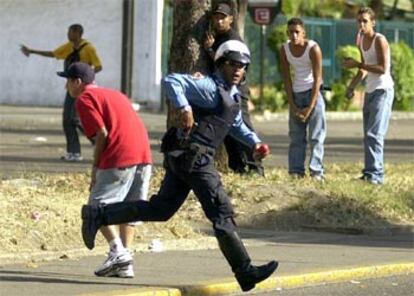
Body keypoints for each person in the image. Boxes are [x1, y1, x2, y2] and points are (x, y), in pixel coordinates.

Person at [81, 40, 277, 292]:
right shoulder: (210, 87)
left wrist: (255, 143)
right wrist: (184, 107)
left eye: (242, 65)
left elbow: (236, 124)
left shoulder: (232, 95)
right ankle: (245, 271)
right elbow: (171, 80)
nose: (238, 69)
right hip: (195, 158)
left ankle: (98, 215)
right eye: (232, 64)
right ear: (221, 64)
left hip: (185, 157)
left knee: (161, 209)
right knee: (221, 212)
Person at [57, 62, 152, 278]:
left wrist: (95, 167)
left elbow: (101, 133)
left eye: (67, 82)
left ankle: (118, 252)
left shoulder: (84, 99)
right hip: (144, 155)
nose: (66, 88)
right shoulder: (116, 94)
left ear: (77, 82)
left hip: (120, 155)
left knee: (96, 208)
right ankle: (126, 263)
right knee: (130, 208)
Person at [21, 24, 102, 162]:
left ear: (77, 32)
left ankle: (100, 142)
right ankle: (74, 152)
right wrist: (32, 51)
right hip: (71, 89)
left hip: (82, 89)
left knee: (75, 120)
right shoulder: (69, 47)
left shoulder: (89, 48)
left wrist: (86, 78)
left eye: (70, 31)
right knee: (67, 120)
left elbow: (99, 66)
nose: (68, 34)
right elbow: (53, 54)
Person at [204, 2, 264, 176]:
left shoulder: (232, 39)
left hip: (236, 89)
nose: (219, 21)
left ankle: (256, 167)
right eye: (216, 17)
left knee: (243, 126)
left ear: (231, 19)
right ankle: (238, 167)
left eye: (223, 17)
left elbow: (227, 65)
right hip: (225, 90)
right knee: (227, 128)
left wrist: (209, 49)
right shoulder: (218, 36)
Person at [343, 7, 394, 185]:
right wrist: (351, 86)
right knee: (368, 135)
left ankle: (376, 176)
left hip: (383, 90)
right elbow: (364, 68)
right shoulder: (361, 40)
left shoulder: (380, 40)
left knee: (375, 134)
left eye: (365, 21)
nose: (361, 24)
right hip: (370, 91)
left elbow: (382, 68)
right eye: (359, 21)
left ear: (373, 22)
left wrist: (356, 63)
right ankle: (369, 173)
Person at [279, 17, 326, 180]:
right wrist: (292, 104)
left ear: (303, 33)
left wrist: (310, 107)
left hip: (313, 93)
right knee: (296, 137)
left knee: (316, 136)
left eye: (297, 32)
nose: (294, 35)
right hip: (296, 94)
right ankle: (296, 171)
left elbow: (318, 79)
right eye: (291, 32)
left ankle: (316, 172)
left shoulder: (313, 48)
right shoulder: (284, 49)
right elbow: (286, 78)